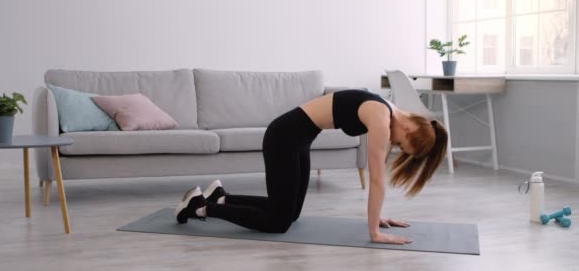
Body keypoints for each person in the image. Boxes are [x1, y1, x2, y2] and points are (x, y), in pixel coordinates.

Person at [174, 89, 449, 245]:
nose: (396, 145)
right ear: (410, 127)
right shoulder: (380, 117)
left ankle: (221, 196)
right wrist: (374, 233)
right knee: (279, 222)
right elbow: (378, 179)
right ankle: (200, 206)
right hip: (283, 137)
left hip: (298, 139)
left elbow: (378, 179)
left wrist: (377, 217)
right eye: (402, 143)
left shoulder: (388, 112)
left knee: (289, 214)